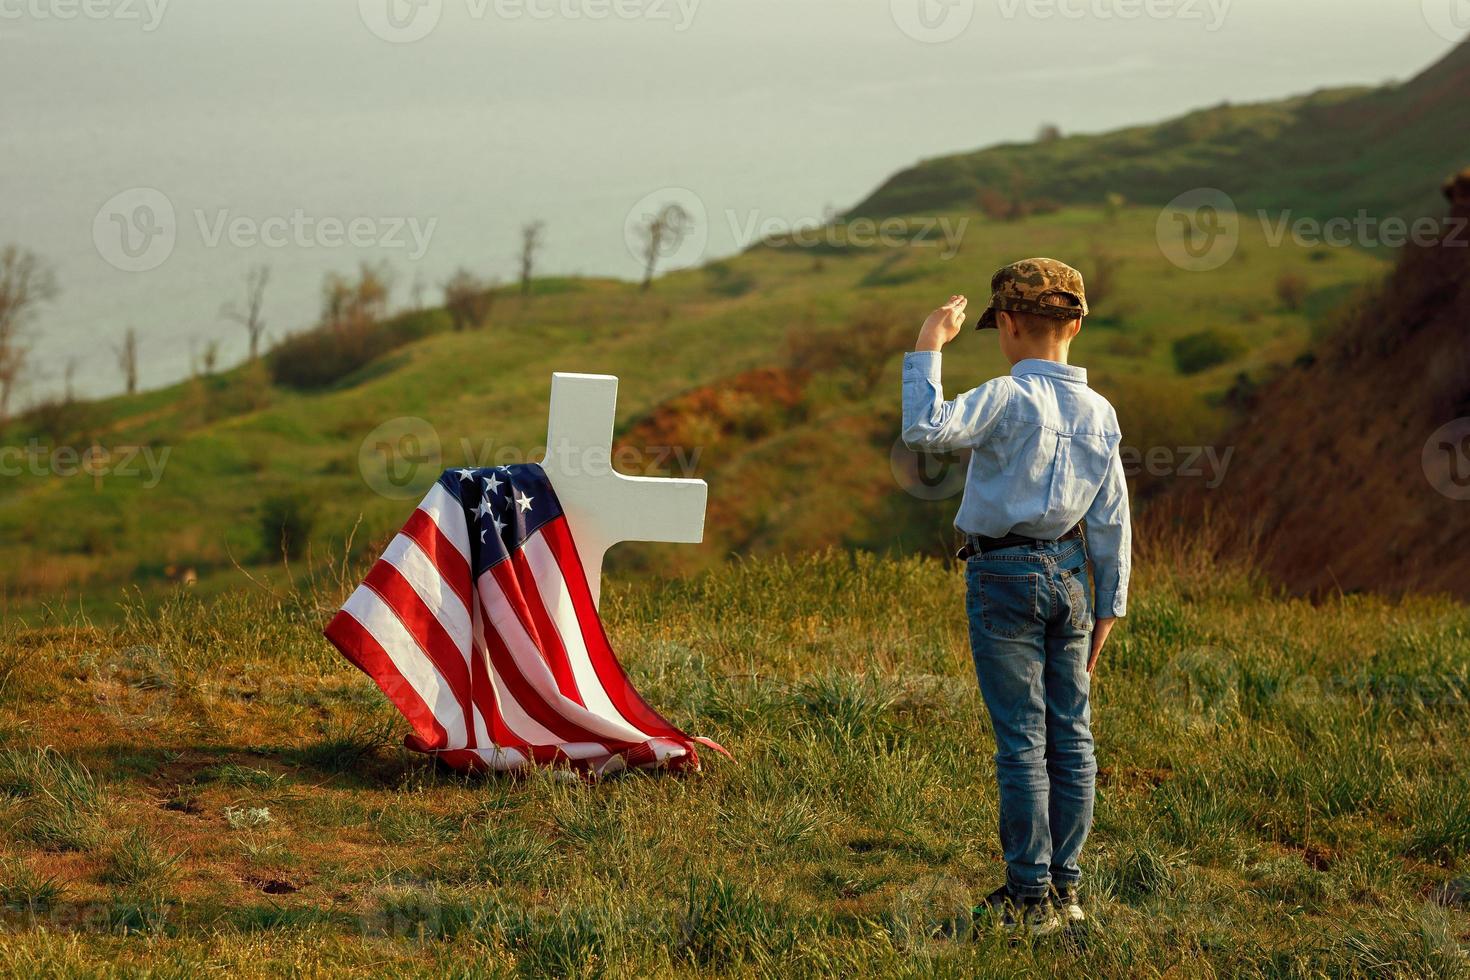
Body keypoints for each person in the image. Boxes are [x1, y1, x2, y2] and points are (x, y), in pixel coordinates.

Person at [900, 258, 1131, 937]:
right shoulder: (1102, 411)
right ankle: (1068, 891)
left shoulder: (1006, 397)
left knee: (1022, 741)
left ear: (1005, 326)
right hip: (1073, 576)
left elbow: (926, 430)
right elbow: (1112, 516)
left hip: (1002, 575)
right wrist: (1110, 605)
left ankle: (1029, 898)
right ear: (1077, 326)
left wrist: (927, 346)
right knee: (1073, 737)